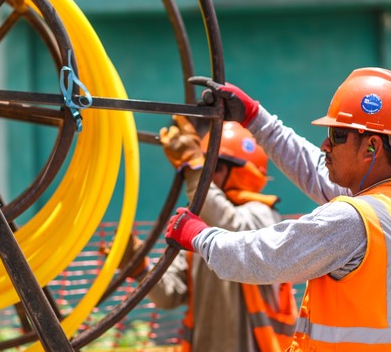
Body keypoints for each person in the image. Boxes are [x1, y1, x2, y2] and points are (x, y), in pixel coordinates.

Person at [165, 67, 391, 351]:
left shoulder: (352, 221)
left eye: (337, 134)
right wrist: (254, 118)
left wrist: (199, 235)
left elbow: (266, 258)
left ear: (371, 147)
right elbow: (312, 168)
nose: (325, 145)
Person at [122, 117, 297, 352]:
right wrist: (139, 267)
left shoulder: (262, 216)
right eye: (207, 166)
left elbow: (231, 229)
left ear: (241, 171)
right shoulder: (200, 228)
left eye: (216, 167)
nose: (209, 175)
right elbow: (169, 296)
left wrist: (196, 169)